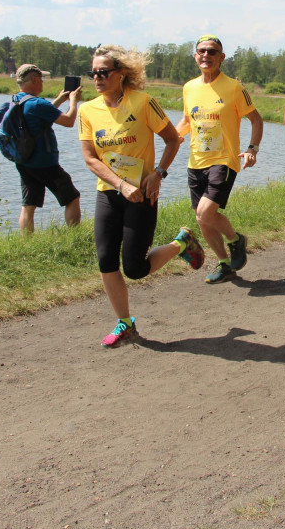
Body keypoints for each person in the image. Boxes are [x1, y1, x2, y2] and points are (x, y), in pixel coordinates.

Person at [79, 45, 206, 348]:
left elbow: (173, 140)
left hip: (143, 193)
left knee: (135, 269)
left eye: (103, 72)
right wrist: (120, 185)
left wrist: (159, 173)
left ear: (121, 74)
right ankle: (125, 324)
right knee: (105, 261)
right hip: (110, 193)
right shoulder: (88, 110)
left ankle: (182, 242)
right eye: (93, 72)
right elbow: (90, 158)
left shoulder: (143, 103)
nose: (97, 77)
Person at [175, 35, 264, 284]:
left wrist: (252, 148)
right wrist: (171, 137)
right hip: (196, 160)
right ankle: (224, 263)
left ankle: (236, 240)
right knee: (201, 218)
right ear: (195, 55)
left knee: (205, 212)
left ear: (221, 58)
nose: (206, 56)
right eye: (201, 51)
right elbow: (186, 121)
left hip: (224, 159)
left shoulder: (234, 87)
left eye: (212, 52)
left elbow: (256, 119)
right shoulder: (189, 87)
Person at [10, 64, 83, 233]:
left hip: (24, 161)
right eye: (41, 79)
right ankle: (75, 235)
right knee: (72, 197)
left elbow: (40, 117)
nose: (42, 82)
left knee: (29, 204)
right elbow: (69, 121)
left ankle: (27, 243)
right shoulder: (38, 104)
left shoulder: (17, 101)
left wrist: (59, 100)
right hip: (45, 163)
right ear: (35, 80)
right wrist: (73, 101)